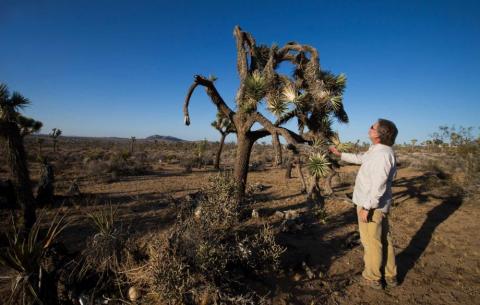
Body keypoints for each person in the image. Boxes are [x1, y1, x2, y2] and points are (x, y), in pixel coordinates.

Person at [329, 119, 398, 289]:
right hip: (375, 204)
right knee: (383, 239)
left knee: (371, 241)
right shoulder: (377, 150)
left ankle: (373, 276)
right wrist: (340, 154)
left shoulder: (383, 155)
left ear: (379, 134)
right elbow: (361, 159)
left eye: (372, 126)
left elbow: (378, 185)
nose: (369, 128)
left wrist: (367, 207)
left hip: (372, 206)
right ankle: (391, 274)